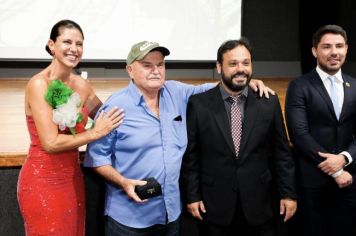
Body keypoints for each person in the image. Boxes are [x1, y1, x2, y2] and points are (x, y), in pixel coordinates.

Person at [83, 40, 273, 236]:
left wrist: (246, 81)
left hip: (171, 214)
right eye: (147, 65)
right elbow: (96, 157)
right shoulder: (116, 107)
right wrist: (123, 182)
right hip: (130, 220)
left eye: (160, 64)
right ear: (130, 70)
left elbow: (215, 88)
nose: (155, 71)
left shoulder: (177, 93)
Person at [179, 38, 297, 236]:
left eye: (246, 63)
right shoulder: (199, 104)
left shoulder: (268, 101)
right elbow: (192, 157)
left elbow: (282, 153)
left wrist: (288, 194)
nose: (240, 69)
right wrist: (192, 196)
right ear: (219, 67)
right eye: (233, 64)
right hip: (214, 207)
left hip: (260, 204)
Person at [17, 19, 124, 235]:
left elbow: (107, 116)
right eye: (67, 42)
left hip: (72, 179)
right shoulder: (39, 84)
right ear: (51, 45)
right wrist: (95, 133)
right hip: (42, 180)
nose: (74, 49)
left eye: (79, 44)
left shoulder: (81, 84)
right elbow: (51, 142)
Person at [285, 24, 356, 236]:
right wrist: (335, 170)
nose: (334, 52)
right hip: (311, 184)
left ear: (346, 49)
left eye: (339, 46)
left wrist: (344, 158)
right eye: (326, 47)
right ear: (315, 51)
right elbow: (299, 135)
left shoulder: (355, 86)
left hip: (349, 183)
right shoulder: (299, 86)